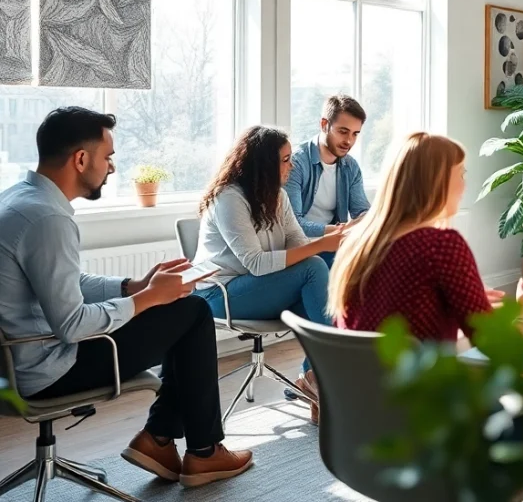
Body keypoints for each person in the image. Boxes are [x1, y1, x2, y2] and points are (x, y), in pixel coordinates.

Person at [330, 131, 523, 502]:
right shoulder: (439, 246)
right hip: (443, 448)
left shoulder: (357, 247)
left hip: (364, 441)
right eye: (461, 173)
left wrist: (454, 300)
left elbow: (391, 319)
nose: (465, 184)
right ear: (437, 182)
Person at [0, 107, 252, 488]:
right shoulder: (48, 220)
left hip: (16, 362)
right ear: (81, 159)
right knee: (195, 310)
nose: (112, 168)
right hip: (49, 369)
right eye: (108, 157)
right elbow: (72, 326)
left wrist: (130, 287)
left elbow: (64, 281)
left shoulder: (19, 200)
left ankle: (162, 439)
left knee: (181, 311)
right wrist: (149, 298)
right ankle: (201, 451)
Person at [193, 126, 342, 421]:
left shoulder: (278, 197)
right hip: (221, 295)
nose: (293, 165)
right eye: (285, 159)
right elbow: (256, 264)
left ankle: (315, 380)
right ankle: (334, 380)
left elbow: (298, 245)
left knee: (322, 267)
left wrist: (325, 247)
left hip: (257, 289)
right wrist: (321, 244)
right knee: (314, 266)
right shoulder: (229, 199)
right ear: (262, 164)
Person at [285, 94, 371, 266]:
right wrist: (340, 230)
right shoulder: (296, 163)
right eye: (343, 131)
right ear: (324, 125)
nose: (349, 141)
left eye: (355, 134)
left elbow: (362, 212)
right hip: (301, 247)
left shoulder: (350, 167)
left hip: (335, 243)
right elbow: (292, 225)